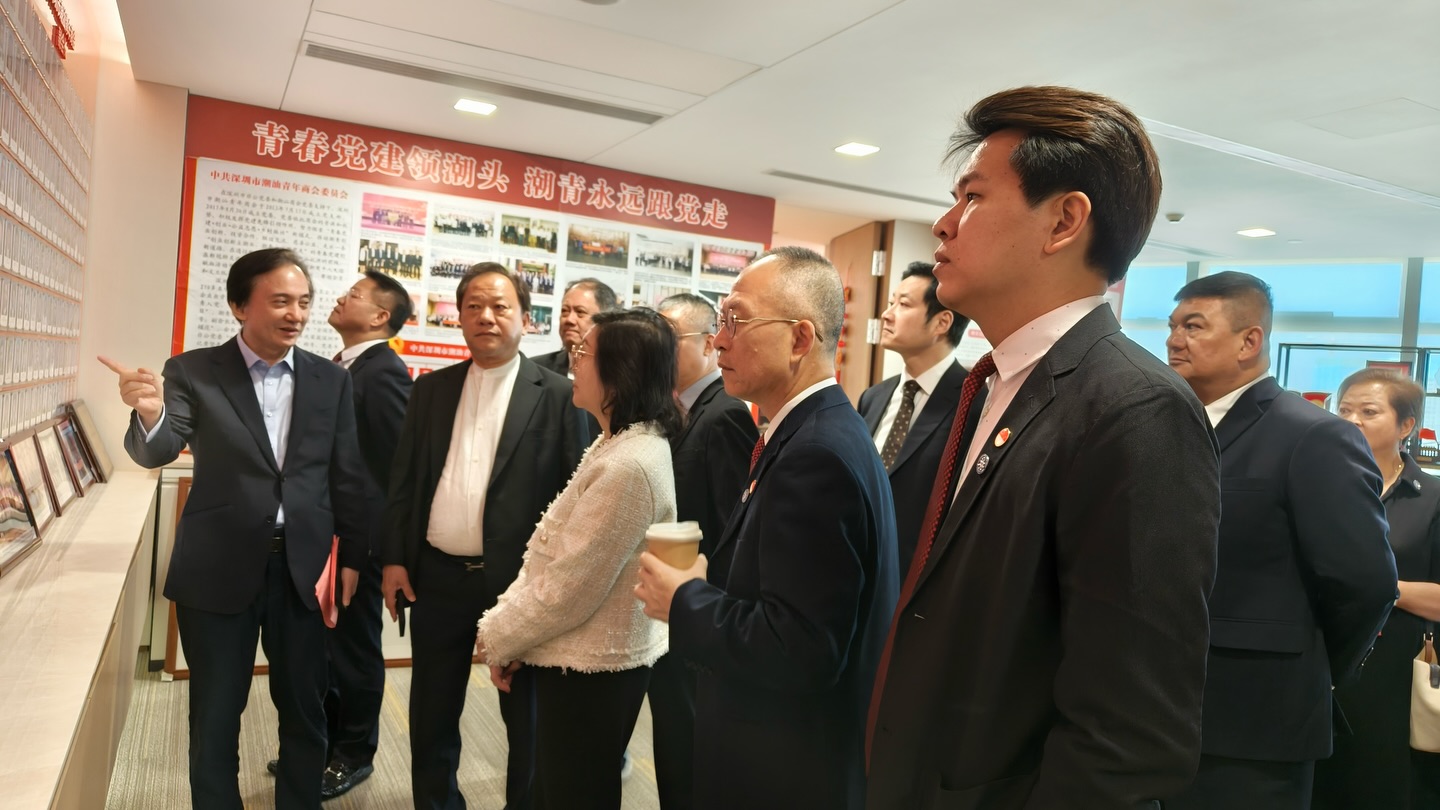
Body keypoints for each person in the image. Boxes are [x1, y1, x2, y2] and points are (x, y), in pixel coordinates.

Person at [865, 86, 1224, 809]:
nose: (944, 223)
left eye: (972, 197)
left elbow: (1126, 735)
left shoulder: (1135, 408)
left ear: (1064, 221)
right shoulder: (994, 384)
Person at [635, 246, 900, 810]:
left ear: (800, 338)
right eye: (720, 321)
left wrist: (684, 600)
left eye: (736, 321)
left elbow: (800, 647)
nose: (719, 340)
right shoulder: (812, 431)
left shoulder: (816, 453)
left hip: (783, 766)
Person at [103, 247, 368, 810]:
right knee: (216, 711)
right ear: (239, 306)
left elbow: (346, 473)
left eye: (304, 302)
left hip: (303, 570)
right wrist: (149, 413)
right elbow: (159, 449)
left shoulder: (330, 379)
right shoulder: (194, 371)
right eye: (281, 301)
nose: (296, 314)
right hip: (217, 567)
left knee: (306, 707)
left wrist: (351, 559)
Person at [1164, 271, 1397, 810]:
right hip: (1154, 707)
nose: (1175, 340)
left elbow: (1364, 582)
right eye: (1172, 326)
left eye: (1194, 326)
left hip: (1256, 715)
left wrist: (1316, 665)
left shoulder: (1313, 435)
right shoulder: (1166, 421)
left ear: (1250, 341)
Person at [379, 262, 590, 810]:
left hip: (520, 586)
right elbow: (405, 481)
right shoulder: (431, 389)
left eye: (500, 306)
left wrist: (554, 588)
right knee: (431, 709)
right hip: (437, 577)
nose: (486, 317)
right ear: (459, 317)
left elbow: (575, 500)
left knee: (525, 715)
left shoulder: (560, 395)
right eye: (473, 306)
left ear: (526, 318)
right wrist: (395, 559)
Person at [477, 307, 680, 810]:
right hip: (578, 663)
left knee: (574, 793)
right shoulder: (617, 443)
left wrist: (497, 636)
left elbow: (569, 587)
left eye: (585, 351)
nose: (573, 358)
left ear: (620, 371)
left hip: (594, 673)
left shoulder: (629, 464)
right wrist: (512, 634)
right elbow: (550, 555)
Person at [264, 270, 413, 798]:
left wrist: (379, 545)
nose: (340, 299)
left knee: (354, 650)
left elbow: (397, 468)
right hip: (325, 536)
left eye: (354, 295)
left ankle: (354, 754)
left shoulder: (384, 372)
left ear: (380, 316)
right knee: (322, 651)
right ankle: (321, 748)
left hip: (360, 541)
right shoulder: (341, 365)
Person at [648, 293, 759, 809]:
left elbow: (734, 529)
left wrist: (706, 611)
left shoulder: (724, 414)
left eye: (669, 337)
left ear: (709, 343)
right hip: (673, 610)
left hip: (700, 613)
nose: (658, 348)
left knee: (691, 753)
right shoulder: (676, 409)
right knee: (673, 747)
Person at [1314, 369, 1440, 809]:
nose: (1352, 420)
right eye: (1344, 410)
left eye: (1368, 412)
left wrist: (1380, 586)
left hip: (1396, 671)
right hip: (1320, 663)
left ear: (1406, 425)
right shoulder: (1318, 487)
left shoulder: (1431, 499)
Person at [857, 261, 969, 568]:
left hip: (919, 573)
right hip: (858, 563)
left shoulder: (973, 401)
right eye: (891, 302)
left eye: (903, 304)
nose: (886, 314)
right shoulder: (874, 397)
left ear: (942, 322)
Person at [531, 278, 619, 377]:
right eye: (565, 311)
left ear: (605, 319)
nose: (569, 319)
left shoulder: (623, 373)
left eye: (580, 312)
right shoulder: (536, 370)